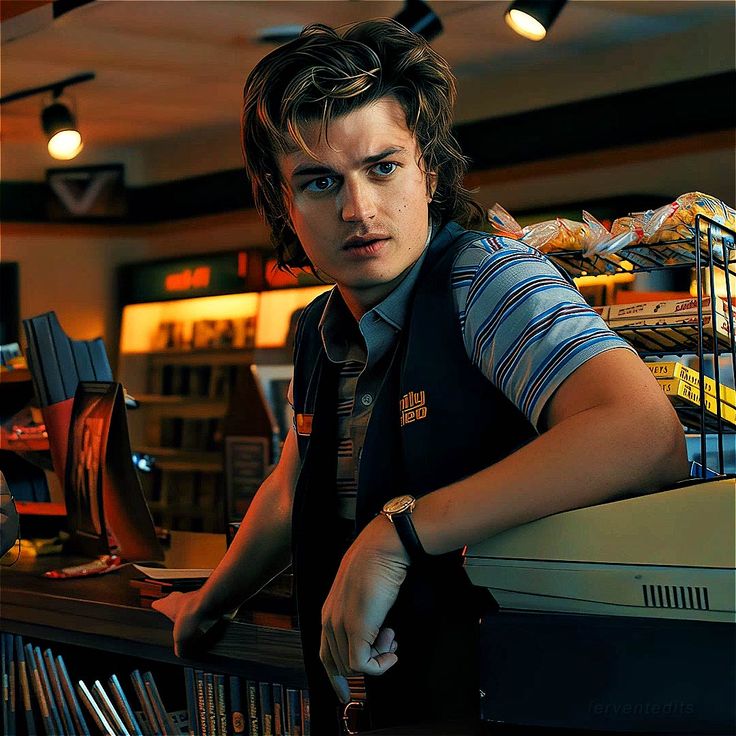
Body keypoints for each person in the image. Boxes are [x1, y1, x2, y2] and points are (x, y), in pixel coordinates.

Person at [153, 18, 689, 733]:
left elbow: (646, 435)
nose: (357, 209)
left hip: (504, 695)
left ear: (428, 173)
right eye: (319, 183)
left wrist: (396, 534)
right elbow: (294, 482)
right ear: (286, 204)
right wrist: (210, 602)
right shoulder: (319, 325)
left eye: (383, 167)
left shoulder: (486, 279)